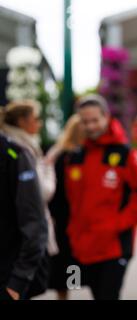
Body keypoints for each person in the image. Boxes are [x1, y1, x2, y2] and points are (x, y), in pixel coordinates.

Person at [65, 94, 137, 300]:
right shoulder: (76, 156)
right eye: (85, 121)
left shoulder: (125, 154)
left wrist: (117, 224)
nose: (90, 126)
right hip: (83, 247)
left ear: (106, 117)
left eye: (95, 120)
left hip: (114, 248)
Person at [0, 100, 57, 298]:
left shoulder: (16, 151)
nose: (39, 123)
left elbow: (35, 209)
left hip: (11, 268)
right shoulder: (22, 147)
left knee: (69, 280)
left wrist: (17, 282)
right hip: (15, 261)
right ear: (22, 121)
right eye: (36, 119)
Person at [0, 132, 48, 300]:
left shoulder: (13, 153)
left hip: (6, 277)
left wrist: (17, 281)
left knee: (73, 280)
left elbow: (34, 222)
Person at [45, 114, 85, 300]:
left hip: (59, 216)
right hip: (72, 216)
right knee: (70, 259)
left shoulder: (56, 153)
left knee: (63, 261)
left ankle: (65, 295)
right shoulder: (74, 156)